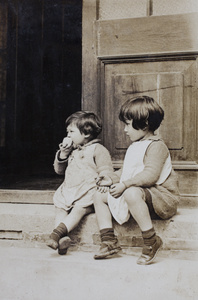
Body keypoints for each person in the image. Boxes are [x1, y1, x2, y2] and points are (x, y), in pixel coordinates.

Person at [94, 95, 180, 265]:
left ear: (145, 124)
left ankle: (151, 241)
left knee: (131, 193)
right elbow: (127, 171)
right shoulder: (135, 145)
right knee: (98, 196)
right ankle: (109, 241)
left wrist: (124, 185)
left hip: (161, 198)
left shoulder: (156, 146)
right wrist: (110, 179)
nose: (125, 130)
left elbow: (150, 175)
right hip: (141, 194)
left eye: (127, 124)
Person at [47, 111, 117, 255]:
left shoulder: (98, 150)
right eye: (67, 132)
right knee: (60, 208)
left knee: (78, 210)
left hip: (87, 191)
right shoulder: (72, 150)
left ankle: (56, 233)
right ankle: (62, 240)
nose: (68, 135)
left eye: (71, 131)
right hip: (70, 189)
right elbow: (59, 171)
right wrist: (63, 154)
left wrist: (104, 180)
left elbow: (106, 169)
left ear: (86, 133)